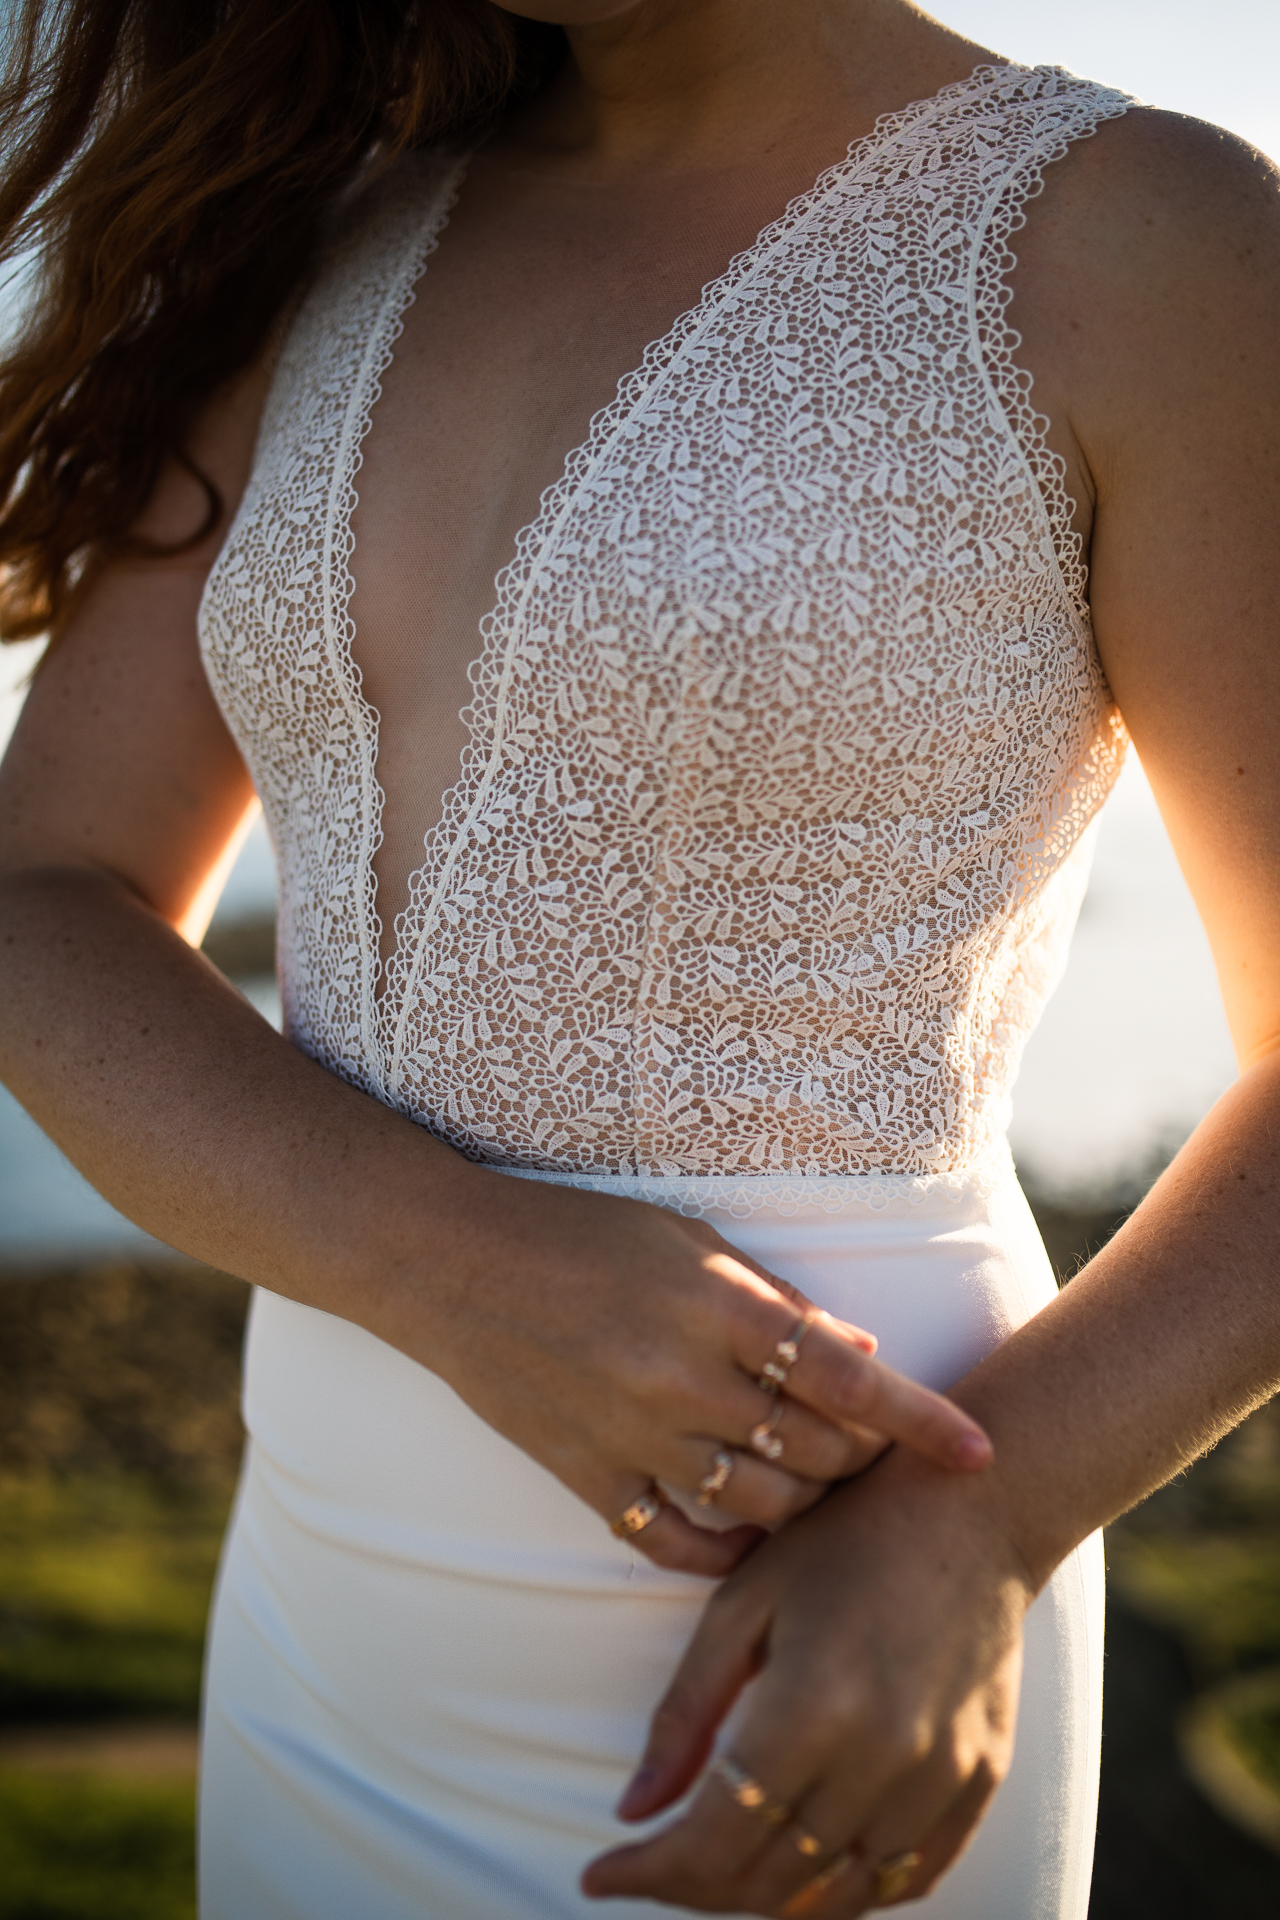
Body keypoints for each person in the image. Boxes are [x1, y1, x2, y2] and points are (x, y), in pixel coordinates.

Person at [1, 0, 1278, 1914]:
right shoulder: (322, 241)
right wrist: (444, 1267)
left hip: (841, 1587)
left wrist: (985, 1520)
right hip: (325, 1595)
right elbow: (43, 898)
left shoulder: (1134, 233)